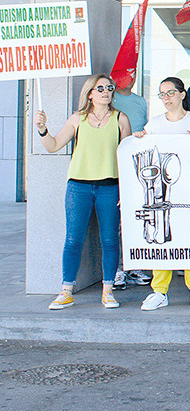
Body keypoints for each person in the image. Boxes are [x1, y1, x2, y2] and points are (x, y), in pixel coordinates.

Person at [38, 74, 132, 310]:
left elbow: (128, 158)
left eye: (109, 88)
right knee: (73, 239)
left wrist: (127, 191)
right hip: (78, 186)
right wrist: (42, 129)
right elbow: (53, 146)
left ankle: (108, 290)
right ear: (90, 93)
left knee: (110, 240)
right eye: (100, 88)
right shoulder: (77, 119)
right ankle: (66, 290)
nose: (106, 92)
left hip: (109, 186)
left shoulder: (121, 119)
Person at [134, 77, 190, 311]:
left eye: (170, 93)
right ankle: (159, 291)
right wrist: (139, 140)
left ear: (182, 94)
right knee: (160, 238)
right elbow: (142, 153)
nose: (166, 98)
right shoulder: (155, 124)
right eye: (162, 94)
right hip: (159, 194)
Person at [108, 75, 152, 290]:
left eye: (133, 73)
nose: (129, 78)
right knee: (116, 223)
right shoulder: (110, 99)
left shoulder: (140, 101)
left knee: (136, 218)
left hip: (137, 164)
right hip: (113, 166)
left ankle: (135, 265)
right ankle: (118, 269)